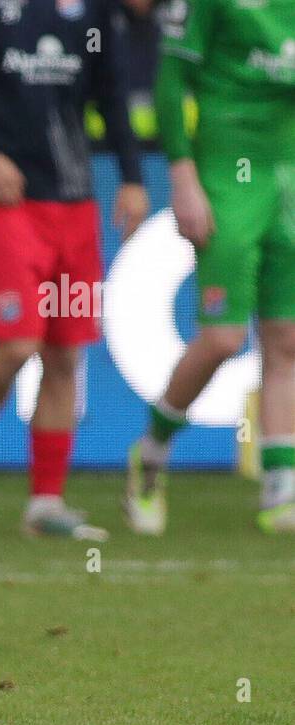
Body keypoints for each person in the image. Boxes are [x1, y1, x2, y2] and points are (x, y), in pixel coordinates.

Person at [0, 0, 149, 539]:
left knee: (65, 353)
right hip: (6, 200)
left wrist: (133, 176)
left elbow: (111, 94)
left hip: (73, 200)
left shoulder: (90, 11)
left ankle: (45, 504)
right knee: (18, 342)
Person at [125, 0, 295, 535]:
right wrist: (183, 174)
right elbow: (172, 80)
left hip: (286, 173)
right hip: (227, 173)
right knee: (223, 338)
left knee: (287, 338)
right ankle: (150, 452)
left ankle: (280, 485)